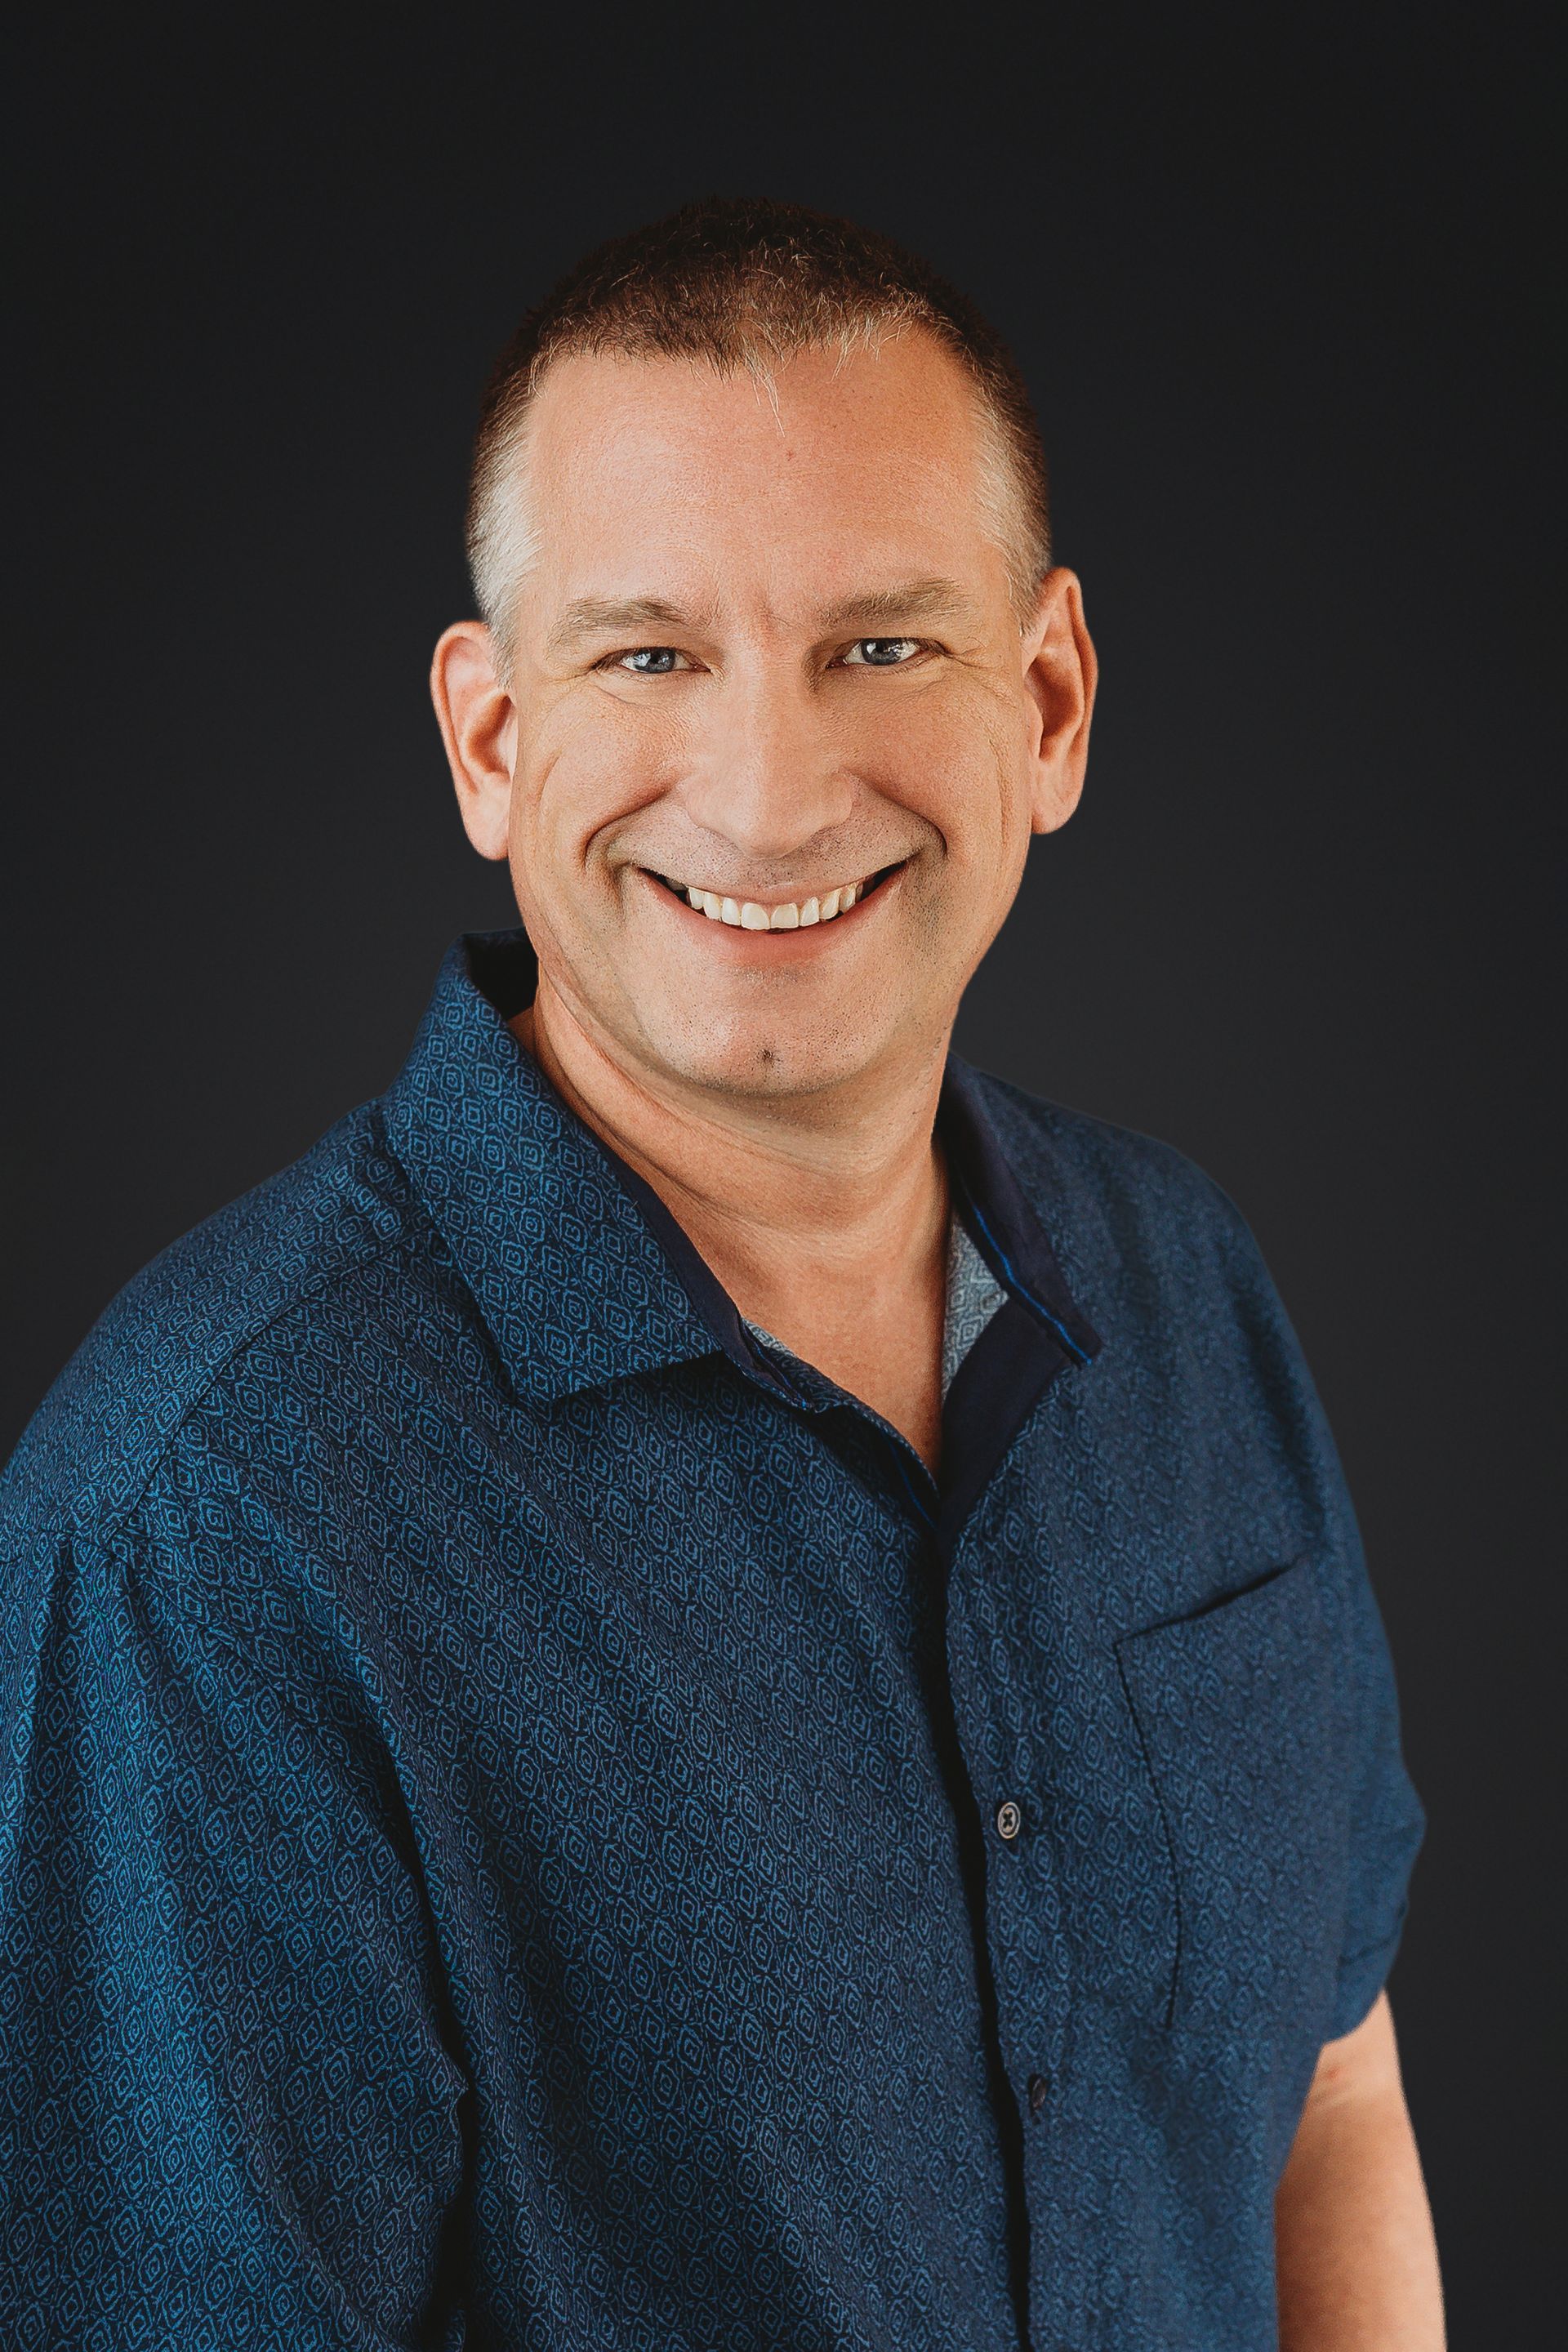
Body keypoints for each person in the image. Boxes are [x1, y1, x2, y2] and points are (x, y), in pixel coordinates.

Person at [0, 198, 1441, 2350]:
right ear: (494, 743)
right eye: (650, 654)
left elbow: (1331, 2085)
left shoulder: (1182, 1278)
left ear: (1044, 705)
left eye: (882, 644)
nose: (769, 796)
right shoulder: (213, 1521)